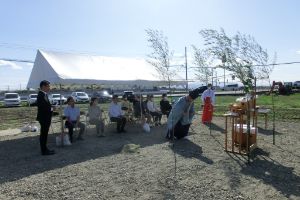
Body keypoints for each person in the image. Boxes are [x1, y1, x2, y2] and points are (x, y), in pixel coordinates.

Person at [36, 80, 55, 155]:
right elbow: (44, 107)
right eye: (48, 86)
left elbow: (47, 106)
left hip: (46, 117)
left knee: (45, 134)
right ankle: (44, 151)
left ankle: (45, 149)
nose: (49, 88)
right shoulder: (41, 95)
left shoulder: (44, 94)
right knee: (43, 134)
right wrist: (52, 109)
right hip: (44, 118)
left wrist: (51, 107)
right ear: (43, 86)